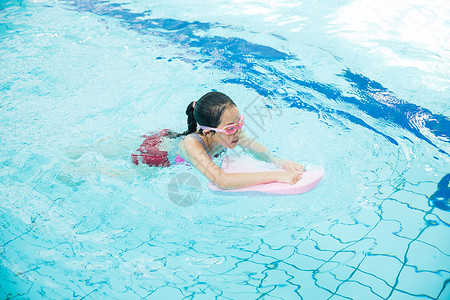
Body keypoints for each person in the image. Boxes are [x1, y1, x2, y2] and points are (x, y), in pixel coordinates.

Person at [132, 91, 305, 189]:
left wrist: (278, 161)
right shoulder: (191, 143)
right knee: (130, 178)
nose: (237, 132)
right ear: (208, 132)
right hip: (154, 156)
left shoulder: (231, 133)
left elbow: (254, 147)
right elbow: (221, 180)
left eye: (240, 123)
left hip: (168, 138)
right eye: (230, 128)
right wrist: (277, 176)